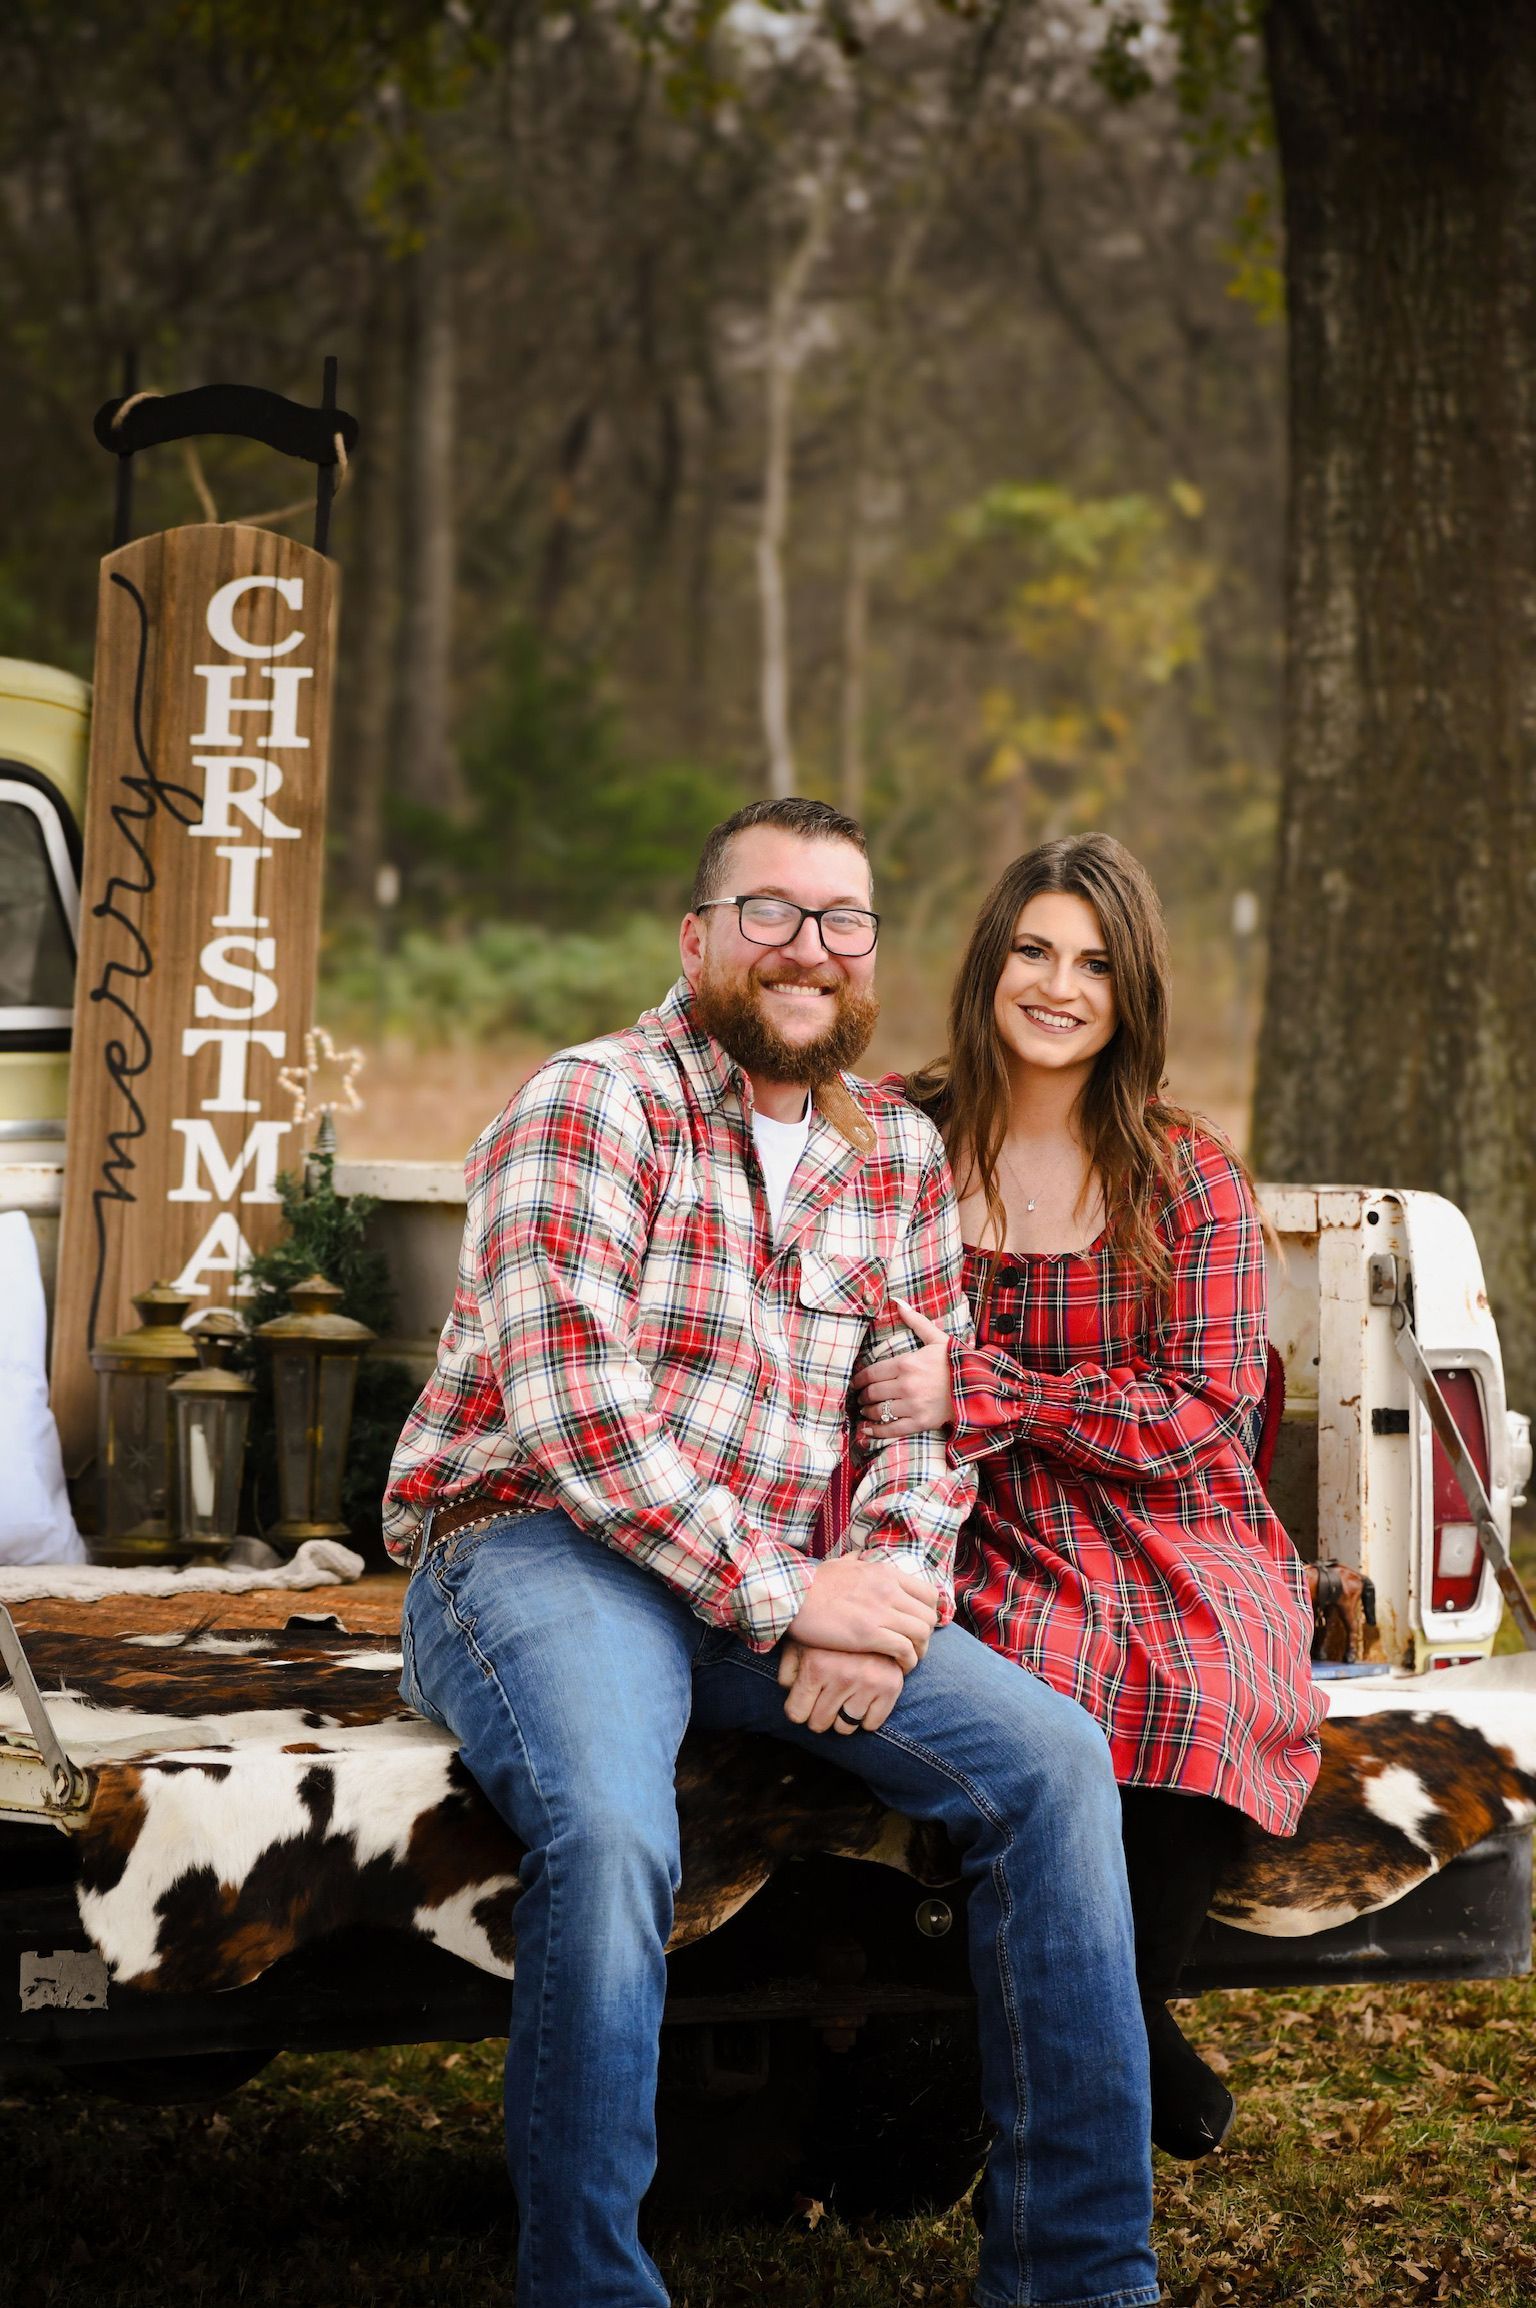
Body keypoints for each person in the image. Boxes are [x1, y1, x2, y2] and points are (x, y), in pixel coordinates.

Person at [385, 798, 1160, 2308]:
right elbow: (572, 1413)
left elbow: (925, 1436)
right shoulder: (591, 1103)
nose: (810, 949)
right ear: (699, 940)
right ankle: (591, 2286)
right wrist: (793, 1593)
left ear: (873, 956)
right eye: (772, 913)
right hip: (547, 1552)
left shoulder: (900, 1160)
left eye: (843, 922)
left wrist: (874, 1601)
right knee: (613, 1830)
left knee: (1056, 1762)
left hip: (788, 1585)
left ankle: (1079, 2276)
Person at [855, 833, 1325, 2161]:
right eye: (1036, 950)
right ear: (992, 961)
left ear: (1135, 996)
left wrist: (990, 1391)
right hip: (961, 1506)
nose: (1060, 985)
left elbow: (1198, 1412)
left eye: (1097, 965)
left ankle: (1122, 2014)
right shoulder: (897, 1138)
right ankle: (1123, 2044)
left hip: (1163, 1507)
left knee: (1201, 1668)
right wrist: (942, 1415)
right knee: (1030, 1678)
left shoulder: (1186, 1180)